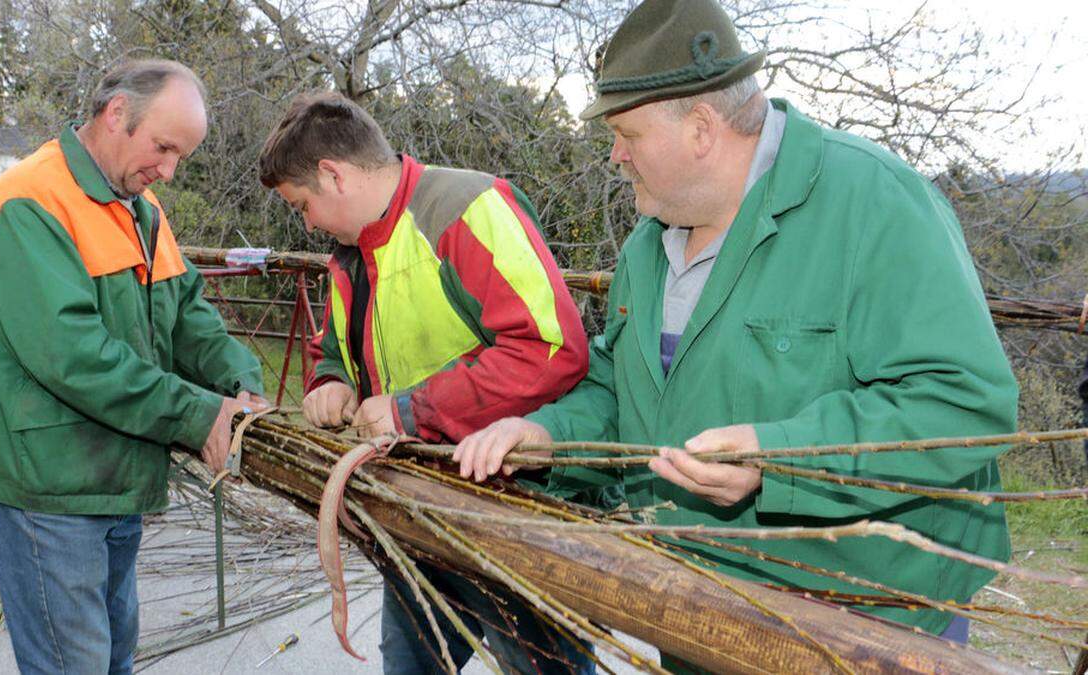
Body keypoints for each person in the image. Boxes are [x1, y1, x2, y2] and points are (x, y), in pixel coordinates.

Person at [454, 0, 1018, 669]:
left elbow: (962, 403)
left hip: (861, 625)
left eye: (626, 133)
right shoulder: (648, 245)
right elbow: (618, 389)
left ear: (699, 127)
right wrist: (548, 437)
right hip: (701, 603)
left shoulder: (876, 204)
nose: (615, 154)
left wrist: (778, 456)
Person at [0, 59, 266, 674]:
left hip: (116, 479)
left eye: (182, 156)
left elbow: (189, 318)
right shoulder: (27, 203)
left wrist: (240, 387)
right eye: (163, 147)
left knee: (113, 656)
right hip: (48, 488)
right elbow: (74, 357)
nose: (169, 171)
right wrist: (199, 416)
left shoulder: (142, 211)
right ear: (116, 112)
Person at [258, 91, 593, 674]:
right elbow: (333, 345)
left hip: (515, 507)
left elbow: (550, 349)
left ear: (333, 175)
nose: (306, 222)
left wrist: (411, 412)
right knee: (410, 664)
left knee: (540, 666)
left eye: (301, 204)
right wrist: (330, 378)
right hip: (414, 506)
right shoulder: (349, 255)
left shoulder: (467, 208)